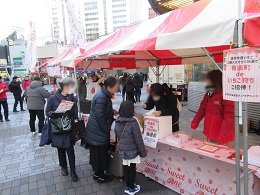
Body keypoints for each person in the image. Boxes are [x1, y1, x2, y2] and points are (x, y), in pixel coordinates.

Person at [86, 76, 119, 183]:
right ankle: (100, 175)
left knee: (97, 153)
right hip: (98, 130)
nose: (117, 89)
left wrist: (111, 111)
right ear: (109, 87)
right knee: (100, 153)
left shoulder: (104, 94)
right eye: (116, 87)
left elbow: (102, 110)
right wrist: (107, 130)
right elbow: (99, 116)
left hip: (96, 129)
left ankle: (97, 173)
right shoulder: (102, 96)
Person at [46, 77, 79, 182]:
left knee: (70, 150)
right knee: (60, 149)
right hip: (57, 128)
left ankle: (73, 170)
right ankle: (63, 167)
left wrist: (72, 114)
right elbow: (47, 112)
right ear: (65, 86)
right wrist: (55, 114)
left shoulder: (73, 98)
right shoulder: (52, 98)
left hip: (69, 128)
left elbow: (75, 112)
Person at [191, 70, 234, 144]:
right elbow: (202, 109)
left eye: (208, 81)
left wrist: (223, 135)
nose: (207, 83)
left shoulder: (226, 95)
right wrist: (195, 122)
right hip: (209, 130)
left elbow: (230, 117)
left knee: (220, 153)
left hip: (220, 133)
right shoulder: (209, 93)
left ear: (215, 81)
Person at [114, 101, 147, 195]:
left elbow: (116, 132)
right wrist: (143, 153)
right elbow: (138, 139)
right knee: (132, 168)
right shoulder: (133, 122)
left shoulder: (117, 120)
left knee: (126, 167)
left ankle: (128, 186)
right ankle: (132, 188)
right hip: (132, 150)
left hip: (123, 149)